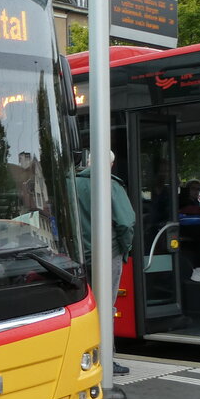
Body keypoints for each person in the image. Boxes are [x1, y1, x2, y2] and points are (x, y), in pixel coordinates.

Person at [74, 150, 136, 375]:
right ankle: (106, 359)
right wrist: (124, 249)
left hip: (79, 256)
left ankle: (83, 358)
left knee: (83, 309)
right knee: (105, 308)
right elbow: (126, 222)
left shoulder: (73, 184)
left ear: (88, 163)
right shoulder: (111, 185)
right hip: (107, 254)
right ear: (110, 164)